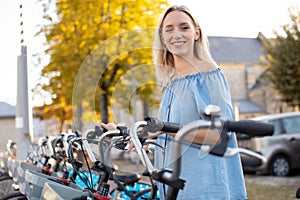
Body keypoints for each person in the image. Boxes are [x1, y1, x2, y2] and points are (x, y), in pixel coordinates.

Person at [102, 5, 247, 199]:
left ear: (196, 32)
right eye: (169, 29)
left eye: (184, 27)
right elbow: (172, 135)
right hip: (174, 187)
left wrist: (164, 129)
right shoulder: (172, 81)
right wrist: (131, 134)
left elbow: (218, 136)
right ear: (162, 37)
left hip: (204, 187)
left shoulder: (208, 74)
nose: (176, 34)